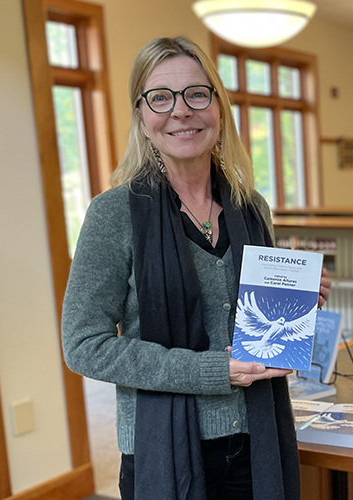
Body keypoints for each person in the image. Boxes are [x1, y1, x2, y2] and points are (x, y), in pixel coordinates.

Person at [61, 36, 331, 500]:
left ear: (218, 111)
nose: (181, 111)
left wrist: (301, 300)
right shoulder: (115, 214)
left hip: (258, 439)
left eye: (196, 94)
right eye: (160, 98)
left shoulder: (252, 208)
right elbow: (83, 346)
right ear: (142, 119)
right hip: (164, 448)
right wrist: (212, 371)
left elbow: (255, 321)